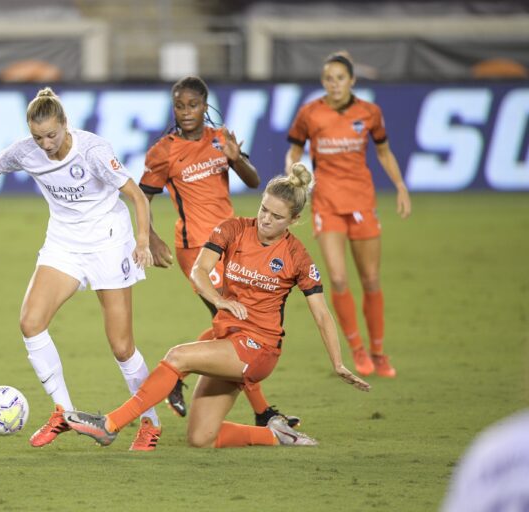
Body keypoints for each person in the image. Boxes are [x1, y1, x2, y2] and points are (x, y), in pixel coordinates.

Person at [0, 87, 163, 451]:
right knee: (30, 322)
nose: (45, 144)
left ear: (65, 125)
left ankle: (150, 423)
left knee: (122, 347)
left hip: (108, 241)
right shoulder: (25, 151)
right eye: (37, 137)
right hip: (64, 243)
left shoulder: (93, 150)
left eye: (51, 135)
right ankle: (64, 411)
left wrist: (142, 239)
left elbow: (136, 195)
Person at [62, 164, 371, 449]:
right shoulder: (234, 229)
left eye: (277, 217)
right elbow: (199, 270)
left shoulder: (297, 256)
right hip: (228, 340)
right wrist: (219, 299)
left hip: (258, 348)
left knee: (177, 356)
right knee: (201, 437)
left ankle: (110, 424)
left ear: (293, 220)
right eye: (264, 209)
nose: (266, 219)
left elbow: (321, 313)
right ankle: (275, 435)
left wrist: (338, 363)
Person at [140, 76, 298, 428]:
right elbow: (143, 197)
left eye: (193, 105)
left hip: (235, 244)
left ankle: (176, 377)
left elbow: (254, 181)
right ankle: (263, 413)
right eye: (179, 106)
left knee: (233, 324)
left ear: (205, 105)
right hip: (196, 248)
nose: (186, 112)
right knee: (236, 323)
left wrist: (235, 159)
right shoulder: (163, 151)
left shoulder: (220, 139)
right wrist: (150, 236)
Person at [285, 51, 412, 378]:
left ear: (352, 81)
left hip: (361, 202)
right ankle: (356, 350)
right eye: (329, 78)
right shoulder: (309, 113)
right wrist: (293, 173)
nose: (335, 84)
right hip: (326, 204)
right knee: (338, 278)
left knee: (370, 279)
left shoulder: (369, 113)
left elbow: (383, 151)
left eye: (340, 78)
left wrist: (400, 186)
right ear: (323, 82)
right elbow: (295, 149)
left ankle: (379, 352)